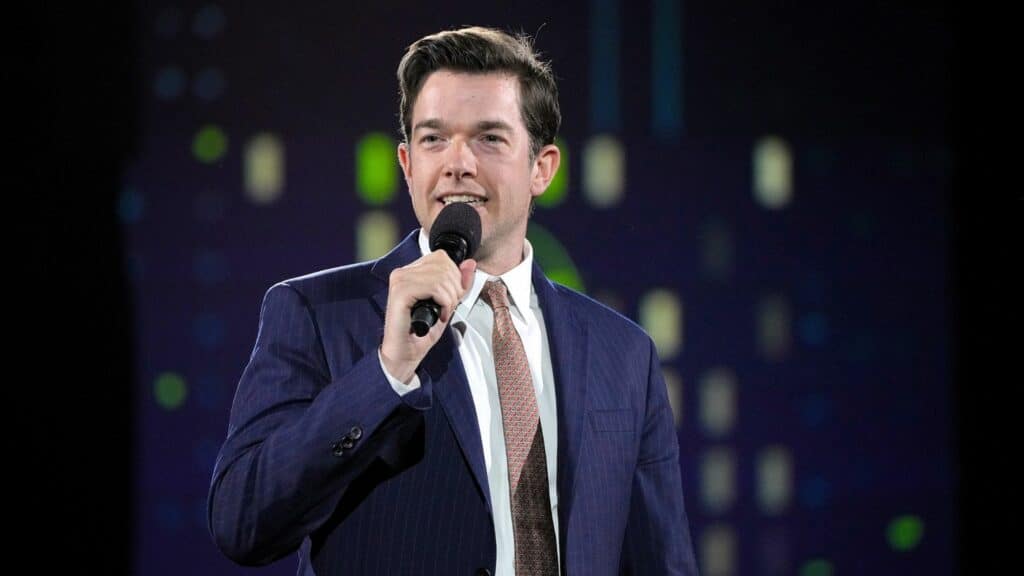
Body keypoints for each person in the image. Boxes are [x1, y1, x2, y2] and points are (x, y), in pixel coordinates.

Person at [208, 26, 699, 576]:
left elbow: (661, 561)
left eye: (489, 138)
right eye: (434, 139)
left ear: (543, 168)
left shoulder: (624, 353)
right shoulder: (317, 314)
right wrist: (386, 372)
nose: (457, 162)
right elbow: (242, 523)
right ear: (406, 163)